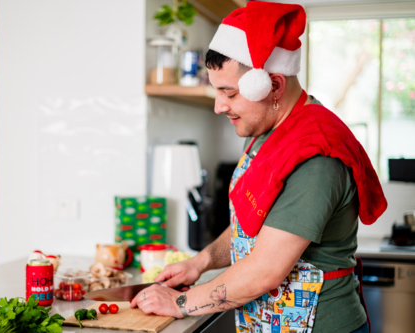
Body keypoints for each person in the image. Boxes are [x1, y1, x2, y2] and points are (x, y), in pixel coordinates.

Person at [130, 2, 387, 332]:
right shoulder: (266, 133)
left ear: (274, 86)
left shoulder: (315, 155)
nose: (219, 106)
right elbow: (251, 226)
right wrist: (200, 262)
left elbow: (266, 269)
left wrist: (181, 302)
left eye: (229, 93)